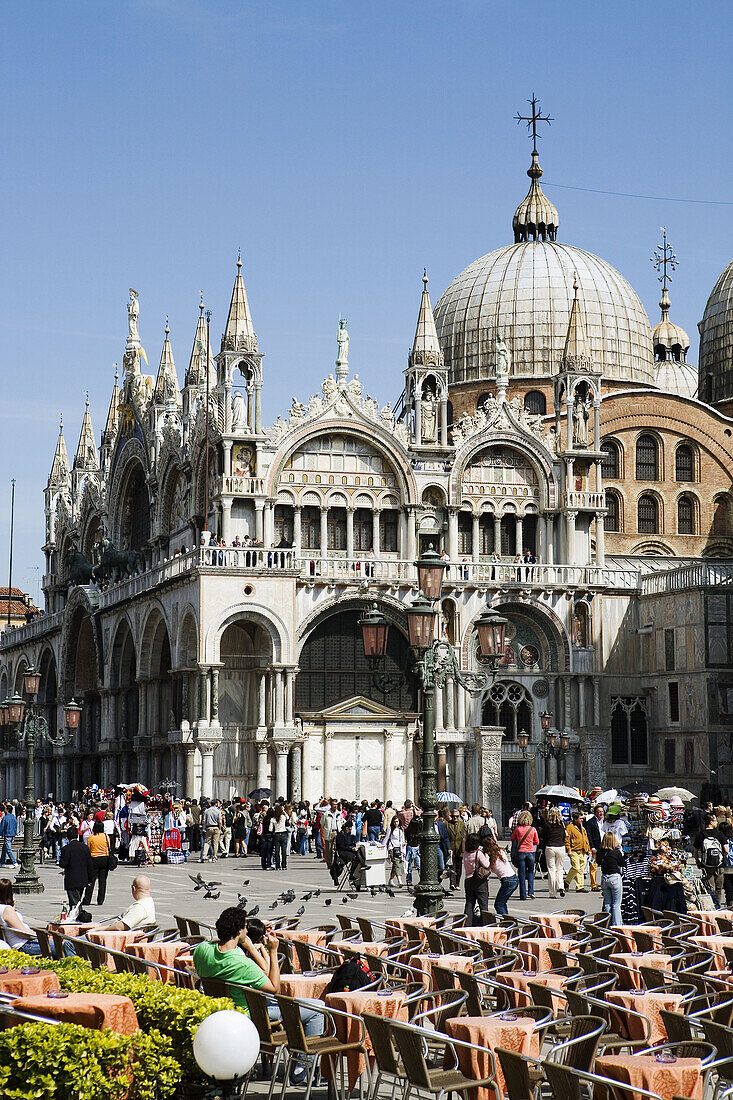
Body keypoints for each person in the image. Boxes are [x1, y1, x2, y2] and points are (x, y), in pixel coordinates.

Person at [193, 907, 323, 1085]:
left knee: (305, 1004)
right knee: (317, 1008)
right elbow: (274, 987)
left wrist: (239, 940)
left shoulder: (201, 951)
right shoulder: (242, 964)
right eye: (245, 927)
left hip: (218, 1011)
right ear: (239, 931)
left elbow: (219, 944)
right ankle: (302, 1067)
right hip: (248, 1014)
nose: (247, 930)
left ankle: (303, 1064)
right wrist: (272, 951)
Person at [0, 878, 74, 957]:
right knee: (68, 945)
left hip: (26, 943)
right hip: (25, 945)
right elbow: (22, 933)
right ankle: (75, 967)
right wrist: (40, 935)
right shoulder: (7, 910)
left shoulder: (4, 908)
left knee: (66, 944)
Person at [694, 812, 728, 907]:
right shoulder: (720, 834)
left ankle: (712, 905)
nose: (717, 822)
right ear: (711, 822)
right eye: (715, 821)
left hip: (706, 865)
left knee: (709, 887)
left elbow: (695, 851)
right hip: (719, 865)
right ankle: (718, 906)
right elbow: (726, 850)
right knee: (719, 888)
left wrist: (698, 862)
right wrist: (721, 857)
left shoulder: (700, 834)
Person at [59, 825, 93, 910]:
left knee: (75, 902)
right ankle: (76, 916)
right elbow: (89, 864)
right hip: (83, 878)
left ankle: (79, 916)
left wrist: (61, 858)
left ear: (67, 837)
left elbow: (63, 863)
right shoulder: (84, 847)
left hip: (72, 878)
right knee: (77, 899)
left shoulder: (66, 849)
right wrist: (90, 879)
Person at [484, 835, 519, 916]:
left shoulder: (491, 858)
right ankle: (508, 920)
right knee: (502, 903)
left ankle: (507, 923)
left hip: (507, 880)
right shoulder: (500, 851)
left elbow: (487, 867)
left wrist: (485, 856)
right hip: (514, 878)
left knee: (498, 904)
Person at [510, 810, 539, 901]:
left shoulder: (518, 829)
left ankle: (523, 895)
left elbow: (512, 838)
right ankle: (531, 891)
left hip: (521, 852)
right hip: (530, 852)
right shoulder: (533, 829)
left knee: (521, 874)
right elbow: (536, 842)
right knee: (530, 872)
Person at [462, 834, 491, 925]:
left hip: (468, 880)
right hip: (479, 882)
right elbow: (486, 864)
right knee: (483, 904)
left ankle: (467, 924)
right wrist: (486, 856)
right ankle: (485, 923)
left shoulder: (465, 853)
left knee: (469, 904)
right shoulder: (478, 854)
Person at [599, 832, 626, 926]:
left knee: (607, 903)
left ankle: (607, 924)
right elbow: (623, 864)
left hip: (604, 878)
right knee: (616, 904)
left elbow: (598, 862)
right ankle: (617, 924)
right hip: (614, 877)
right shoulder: (616, 852)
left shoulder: (600, 852)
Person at [540, 807, 567, 899]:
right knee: (559, 868)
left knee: (551, 869)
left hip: (550, 847)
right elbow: (564, 836)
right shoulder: (562, 824)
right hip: (561, 847)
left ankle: (552, 892)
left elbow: (542, 836)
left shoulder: (547, 825)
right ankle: (561, 886)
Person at [83, 820, 111, 906]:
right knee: (102, 881)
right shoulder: (106, 836)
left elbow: (88, 849)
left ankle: (87, 899)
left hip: (94, 859)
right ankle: (100, 900)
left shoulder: (91, 837)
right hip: (104, 859)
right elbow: (108, 847)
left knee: (91, 880)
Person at [334, 821, 366, 890]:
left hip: (347, 850)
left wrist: (355, 846)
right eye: (349, 829)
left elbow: (349, 843)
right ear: (346, 828)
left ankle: (359, 867)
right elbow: (341, 847)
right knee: (355, 856)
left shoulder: (348, 835)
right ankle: (353, 874)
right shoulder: (340, 835)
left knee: (358, 853)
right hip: (342, 852)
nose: (350, 830)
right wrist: (351, 849)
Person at [564, 811, 591, 893]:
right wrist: (568, 850)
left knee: (581, 870)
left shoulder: (582, 828)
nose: (582, 820)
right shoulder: (570, 827)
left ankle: (579, 886)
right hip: (574, 851)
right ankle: (566, 882)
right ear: (575, 819)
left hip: (582, 851)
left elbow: (586, 839)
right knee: (576, 868)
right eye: (580, 819)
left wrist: (588, 850)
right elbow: (567, 839)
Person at [584, 804, 605, 892]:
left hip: (605, 846)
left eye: (602, 812)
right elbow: (589, 835)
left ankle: (604, 883)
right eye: (599, 812)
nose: (601, 813)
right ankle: (594, 885)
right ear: (595, 813)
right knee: (593, 866)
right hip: (595, 847)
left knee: (605, 865)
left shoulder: (606, 821)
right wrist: (592, 847)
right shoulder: (591, 822)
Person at [385, 817, 406, 887]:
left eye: (397, 821)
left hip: (399, 848)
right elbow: (386, 838)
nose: (396, 823)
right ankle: (399, 880)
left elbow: (402, 839)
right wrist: (382, 845)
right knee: (397, 863)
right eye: (394, 822)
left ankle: (391, 880)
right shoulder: (390, 829)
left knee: (395, 865)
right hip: (392, 848)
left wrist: (403, 848)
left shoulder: (401, 829)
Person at [404, 813, 423, 887]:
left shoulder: (409, 830)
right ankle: (412, 879)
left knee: (412, 865)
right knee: (414, 866)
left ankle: (409, 880)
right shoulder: (414, 831)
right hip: (413, 847)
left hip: (413, 847)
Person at [269, 804, 289, 870]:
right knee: (284, 851)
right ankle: (284, 865)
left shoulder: (272, 819)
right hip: (283, 833)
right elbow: (288, 817)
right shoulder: (283, 817)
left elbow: (270, 829)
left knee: (277, 851)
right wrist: (284, 811)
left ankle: (278, 865)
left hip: (277, 835)